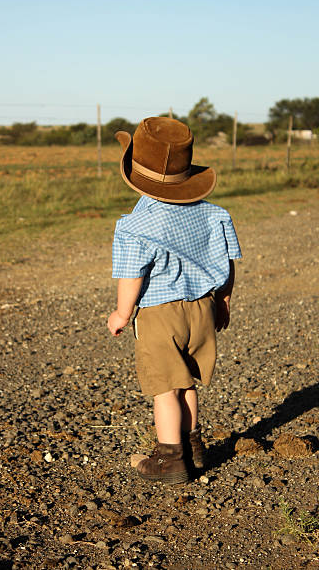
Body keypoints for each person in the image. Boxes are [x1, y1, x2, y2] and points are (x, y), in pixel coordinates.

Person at [107, 116, 242, 484]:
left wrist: (122, 312)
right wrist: (224, 300)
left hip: (159, 314)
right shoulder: (215, 214)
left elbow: (132, 274)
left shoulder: (134, 224)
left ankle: (170, 460)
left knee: (165, 387)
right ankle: (194, 447)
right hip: (202, 308)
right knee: (187, 382)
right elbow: (227, 264)